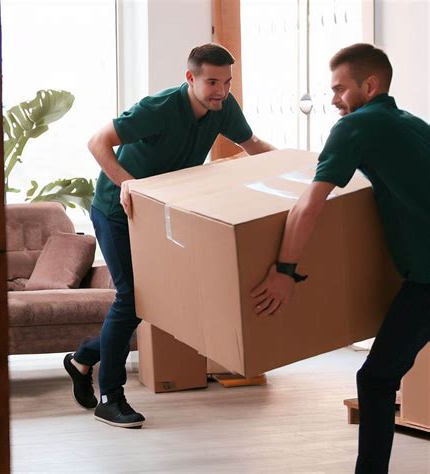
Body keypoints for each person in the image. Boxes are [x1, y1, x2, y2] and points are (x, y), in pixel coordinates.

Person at [64, 43, 276, 429]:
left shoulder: (223, 107)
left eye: (227, 82)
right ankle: (111, 397)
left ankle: (83, 358)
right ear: (190, 78)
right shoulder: (158, 109)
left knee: (150, 303)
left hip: (159, 213)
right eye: (212, 82)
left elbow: (254, 147)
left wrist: (299, 173)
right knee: (131, 298)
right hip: (117, 210)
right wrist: (128, 185)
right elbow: (97, 141)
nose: (221, 91)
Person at [251, 43, 430, 473]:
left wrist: (284, 272)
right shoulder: (412, 124)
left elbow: (308, 205)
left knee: (375, 378)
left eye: (339, 89)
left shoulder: (356, 127)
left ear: (369, 86)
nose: (333, 100)